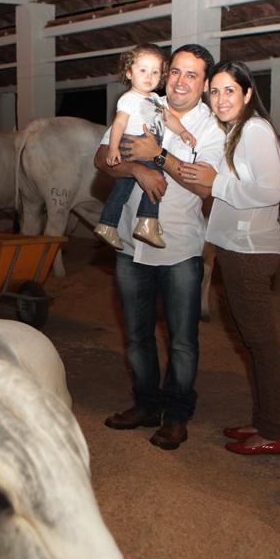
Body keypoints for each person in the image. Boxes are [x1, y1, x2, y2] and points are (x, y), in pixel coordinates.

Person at [94, 44, 225, 451]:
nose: (181, 81)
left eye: (192, 75)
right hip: (131, 244)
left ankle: (178, 415)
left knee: (182, 340)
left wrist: (159, 156)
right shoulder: (143, 102)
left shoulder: (210, 128)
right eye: (177, 72)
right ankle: (147, 405)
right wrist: (135, 168)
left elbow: (204, 184)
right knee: (136, 336)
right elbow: (102, 157)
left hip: (180, 247)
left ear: (203, 85)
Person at [176, 60, 280, 455]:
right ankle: (262, 421)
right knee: (252, 343)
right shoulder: (236, 132)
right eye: (216, 91)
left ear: (247, 94)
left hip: (251, 251)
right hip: (236, 248)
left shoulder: (255, 130)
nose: (220, 99)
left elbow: (270, 191)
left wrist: (215, 182)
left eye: (229, 90)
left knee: (262, 344)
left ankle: (273, 432)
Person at [95, 44, 198, 251]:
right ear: (129, 72)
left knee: (121, 190)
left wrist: (183, 132)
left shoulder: (153, 99)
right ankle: (147, 222)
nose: (149, 76)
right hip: (133, 143)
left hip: (145, 145)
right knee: (157, 180)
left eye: (155, 72)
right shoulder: (129, 98)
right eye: (143, 70)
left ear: (161, 76)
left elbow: (168, 119)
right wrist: (114, 148)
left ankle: (108, 224)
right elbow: (119, 124)